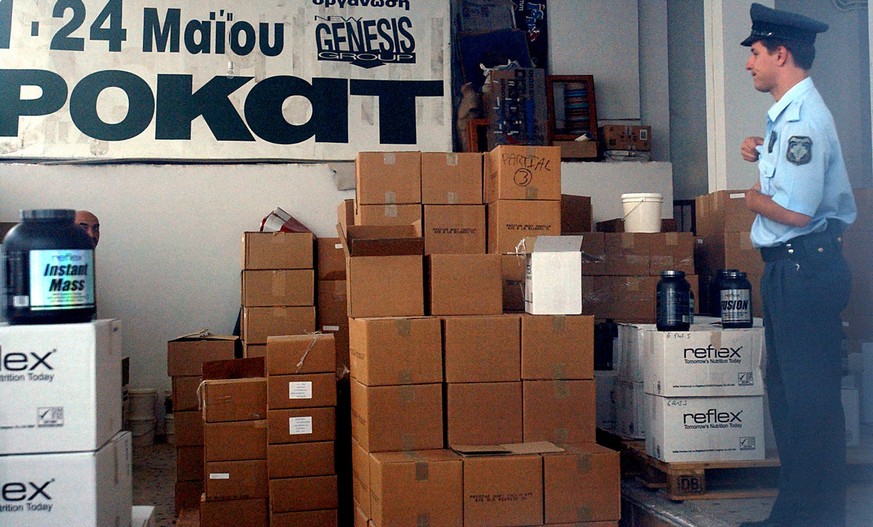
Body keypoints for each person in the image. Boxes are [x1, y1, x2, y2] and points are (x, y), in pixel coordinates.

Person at [740, 4, 856, 527]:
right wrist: (763, 152)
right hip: (797, 268)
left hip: (804, 267)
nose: (749, 64)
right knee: (794, 396)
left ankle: (808, 516)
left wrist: (755, 201)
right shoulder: (789, 117)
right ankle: (805, 513)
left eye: (756, 53)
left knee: (807, 402)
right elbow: (795, 172)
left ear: (780, 54)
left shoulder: (804, 118)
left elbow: (799, 211)